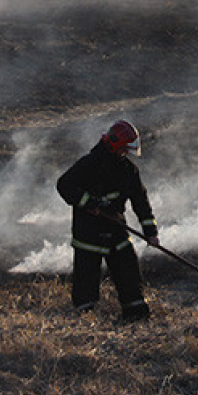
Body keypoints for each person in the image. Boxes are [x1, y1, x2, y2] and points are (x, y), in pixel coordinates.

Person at [56, 120, 158, 323]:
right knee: (86, 283)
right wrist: (88, 203)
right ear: (114, 145)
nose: (125, 154)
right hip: (88, 233)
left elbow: (141, 201)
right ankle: (85, 323)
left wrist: (150, 232)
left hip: (116, 229)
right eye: (123, 149)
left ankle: (136, 316)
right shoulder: (88, 165)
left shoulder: (129, 170)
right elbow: (64, 185)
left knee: (129, 272)